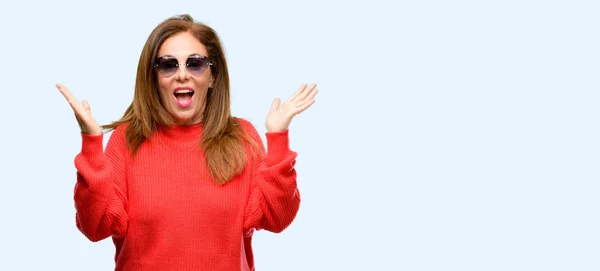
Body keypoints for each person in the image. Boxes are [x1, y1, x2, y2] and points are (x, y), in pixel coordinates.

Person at [56, 14, 317, 271]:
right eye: (169, 65)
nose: (182, 74)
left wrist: (278, 139)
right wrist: (91, 145)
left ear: (212, 76)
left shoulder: (241, 138)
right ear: (155, 79)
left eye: (195, 64)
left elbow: (277, 217)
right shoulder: (127, 140)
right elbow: (94, 226)